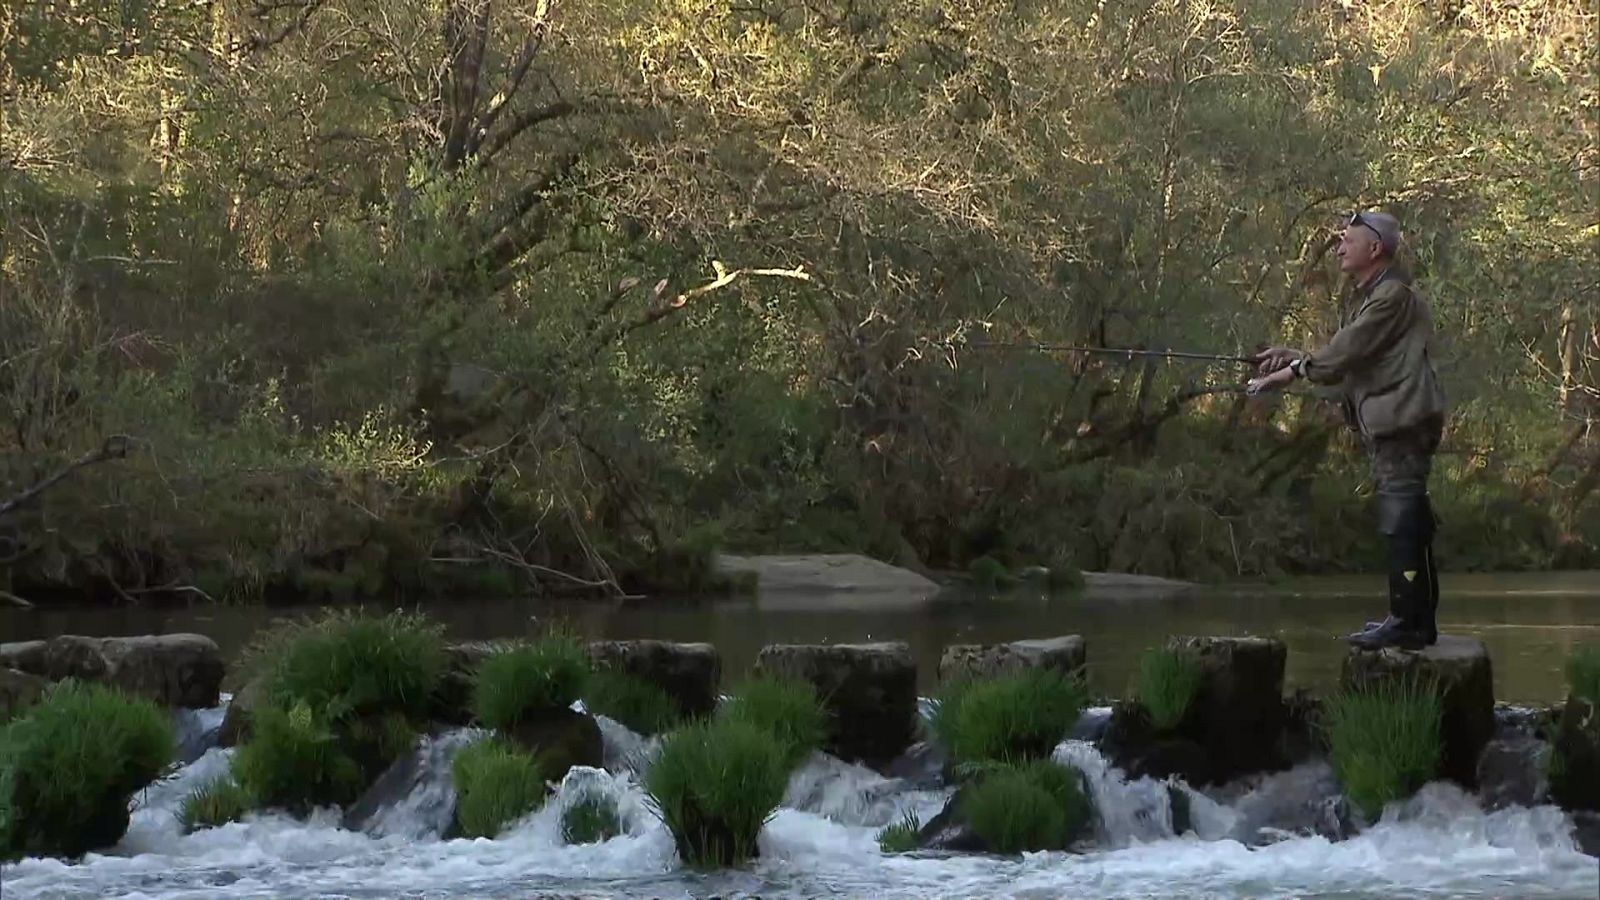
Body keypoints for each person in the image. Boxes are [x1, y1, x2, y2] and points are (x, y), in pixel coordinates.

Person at [1247, 210, 1448, 650]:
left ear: (1374, 248)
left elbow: (1345, 352)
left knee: (1401, 519)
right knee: (1409, 520)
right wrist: (1296, 357)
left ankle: (1407, 621)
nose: (1338, 249)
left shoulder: (1391, 296)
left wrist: (1293, 371)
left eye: (1347, 241)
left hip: (1404, 423)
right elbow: (1350, 362)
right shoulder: (1375, 296)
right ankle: (1415, 620)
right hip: (1400, 421)